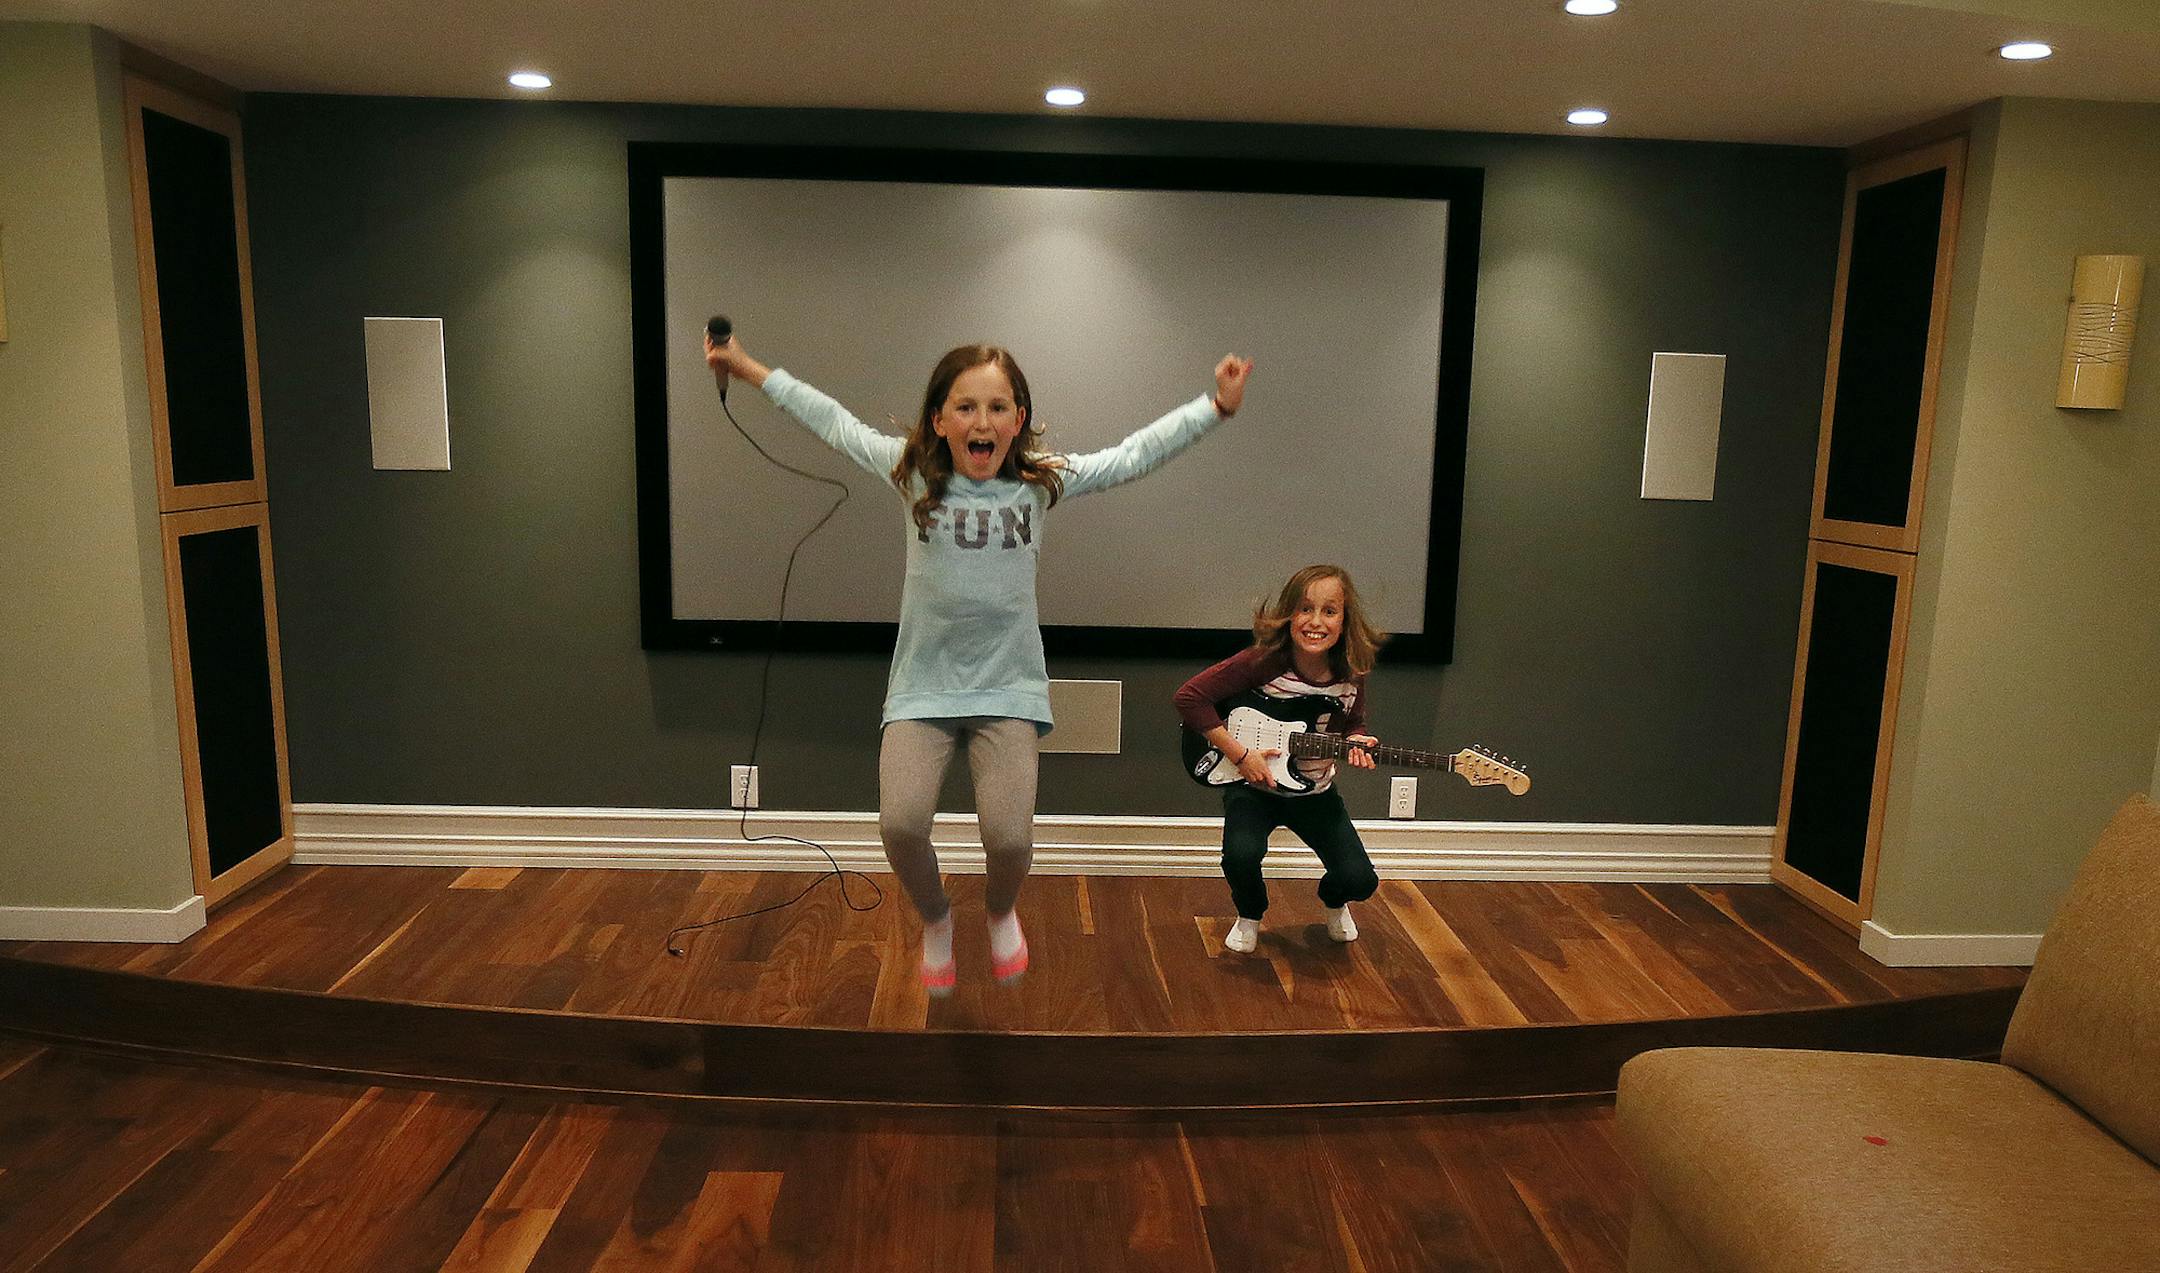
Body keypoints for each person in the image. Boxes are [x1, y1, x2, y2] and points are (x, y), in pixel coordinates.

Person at [706, 330, 1252, 994]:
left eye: (997, 407)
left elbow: (1132, 455)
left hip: (1008, 690)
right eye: (965, 407)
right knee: (900, 825)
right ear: (940, 420)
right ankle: (936, 917)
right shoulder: (912, 473)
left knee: (1011, 840)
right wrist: (747, 368)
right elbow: (833, 421)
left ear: (1018, 419)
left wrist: (1214, 408)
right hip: (922, 689)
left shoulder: (1038, 483)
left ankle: (998, 910)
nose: (982, 421)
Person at [1174, 565, 1383, 954]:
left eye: (1329, 611)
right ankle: (1249, 913)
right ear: (1289, 614)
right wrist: (1241, 755)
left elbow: (1353, 722)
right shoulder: (1263, 662)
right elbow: (1190, 698)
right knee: (1240, 856)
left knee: (1360, 880)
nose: (1315, 622)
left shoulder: (1351, 675)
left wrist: (1357, 740)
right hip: (1254, 788)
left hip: (1316, 794)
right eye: (1305, 609)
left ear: (1345, 621)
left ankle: (1334, 901)